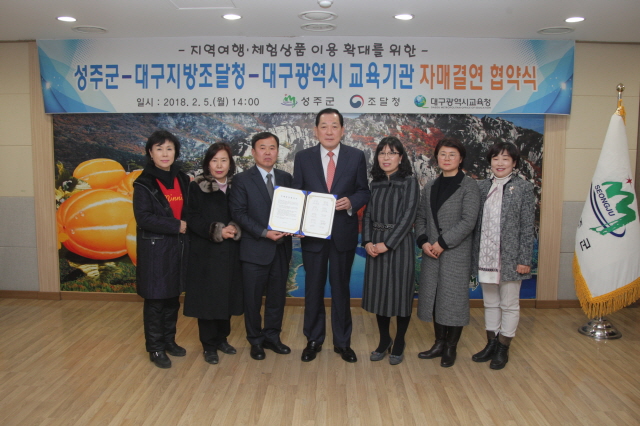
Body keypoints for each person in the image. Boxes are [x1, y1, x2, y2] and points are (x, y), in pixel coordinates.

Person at [293, 108, 370, 363]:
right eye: (323, 126)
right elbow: (297, 194)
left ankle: (342, 342)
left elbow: (363, 191)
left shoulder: (355, 156)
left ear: (342, 130)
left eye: (334, 126)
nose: (329, 131)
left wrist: (351, 202)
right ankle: (313, 340)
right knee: (313, 289)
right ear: (315, 130)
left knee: (341, 289)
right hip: (313, 235)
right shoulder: (303, 157)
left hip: (343, 234)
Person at [415, 138, 480, 368]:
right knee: (435, 298)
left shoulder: (469, 186)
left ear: (460, 159)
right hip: (431, 252)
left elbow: (468, 221)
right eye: (443, 154)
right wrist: (423, 241)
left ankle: (451, 347)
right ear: (437, 157)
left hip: (455, 252)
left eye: (452, 154)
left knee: (453, 300)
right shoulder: (430, 186)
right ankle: (438, 343)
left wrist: (442, 243)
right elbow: (421, 217)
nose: (447, 158)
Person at [229, 132, 293, 361]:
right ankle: (255, 340)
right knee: (253, 300)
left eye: (272, 148)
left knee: (277, 298)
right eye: (262, 148)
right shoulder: (241, 180)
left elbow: (294, 210)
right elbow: (238, 213)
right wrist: (265, 232)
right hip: (254, 249)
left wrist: (297, 227)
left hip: (281, 249)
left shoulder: (286, 178)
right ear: (253, 152)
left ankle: (272, 337)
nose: (268, 152)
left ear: (278, 151)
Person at [471, 141, 535, 370]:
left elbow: (527, 226)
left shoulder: (524, 188)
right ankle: (490, 343)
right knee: (490, 303)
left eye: (505, 158)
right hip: (485, 256)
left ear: (514, 163)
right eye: (496, 158)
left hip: (510, 257)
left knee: (509, 304)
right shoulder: (480, 187)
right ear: (490, 162)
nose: (500, 163)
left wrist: (524, 259)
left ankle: (503, 348)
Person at [133, 130, 190, 369]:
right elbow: (143, 218)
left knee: (172, 298)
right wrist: (176, 225)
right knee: (156, 299)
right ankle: (155, 348)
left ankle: (169, 341)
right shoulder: (143, 183)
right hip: (155, 249)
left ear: (175, 152)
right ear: (150, 153)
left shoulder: (182, 179)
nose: (164, 154)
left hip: (178, 247)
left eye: (169, 149)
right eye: (159, 149)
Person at [183, 143, 243, 365]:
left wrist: (235, 227)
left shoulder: (237, 185)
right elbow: (192, 218)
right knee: (207, 301)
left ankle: (222, 339)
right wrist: (217, 230)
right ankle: (209, 345)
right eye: (214, 160)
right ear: (208, 163)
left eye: (223, 160)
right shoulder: (197, 186)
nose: (219, 165)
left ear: (230, 163)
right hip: (206, 253)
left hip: (231, 252)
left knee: (227, 298)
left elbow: (243, 212)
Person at [362, 137, 419, 365]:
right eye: (382, 153)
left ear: (400, 157)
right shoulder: (374, 183)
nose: (386, 157)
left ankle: (400, 341)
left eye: (392, 153)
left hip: (399, 245)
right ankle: (384, 339)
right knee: (379, 295)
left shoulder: (409, 182)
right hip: (375, 244)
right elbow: (368, 214)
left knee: (401, 295)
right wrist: (367, 241)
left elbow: (409, 216)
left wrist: (388, 244)